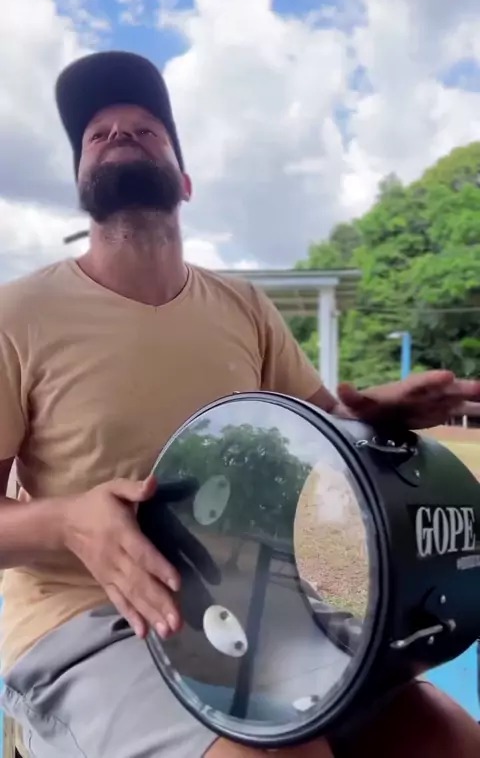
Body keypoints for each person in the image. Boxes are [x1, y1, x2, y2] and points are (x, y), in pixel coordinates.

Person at [0, 50, 479, 758]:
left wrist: (373, 414)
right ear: (79, 184)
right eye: (97, 134)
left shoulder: (243, 307)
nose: (119, 133)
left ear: (186, 181)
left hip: (257, 605)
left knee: (446, 739)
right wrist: (69, 522)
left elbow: (324, 431)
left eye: (146, 128)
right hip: (85, 620)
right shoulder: (16, 315)